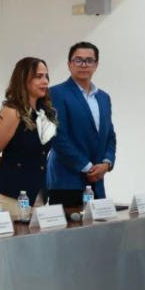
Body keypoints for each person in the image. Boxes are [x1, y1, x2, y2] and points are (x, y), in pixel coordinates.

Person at [47, 41, 117, 206]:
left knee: (98, 223)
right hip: (66, 181)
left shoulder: (103, 97)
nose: (84, 65)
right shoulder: (55, 93)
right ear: (69, 64)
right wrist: (87, 167)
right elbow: (58, 137)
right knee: (68, 223)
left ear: (96, 65)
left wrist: (106, 164)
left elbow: (110, 136)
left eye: (89, 60)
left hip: (97, 182)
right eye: (78, 60)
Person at [0, 57, 57, 212]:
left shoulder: (45, 113)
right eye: (38, 76)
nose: (45, 81)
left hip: (38, 195)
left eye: (46, 76)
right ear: (23, 80)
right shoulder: (12, 112)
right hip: (11, 195)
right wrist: (10, 164)